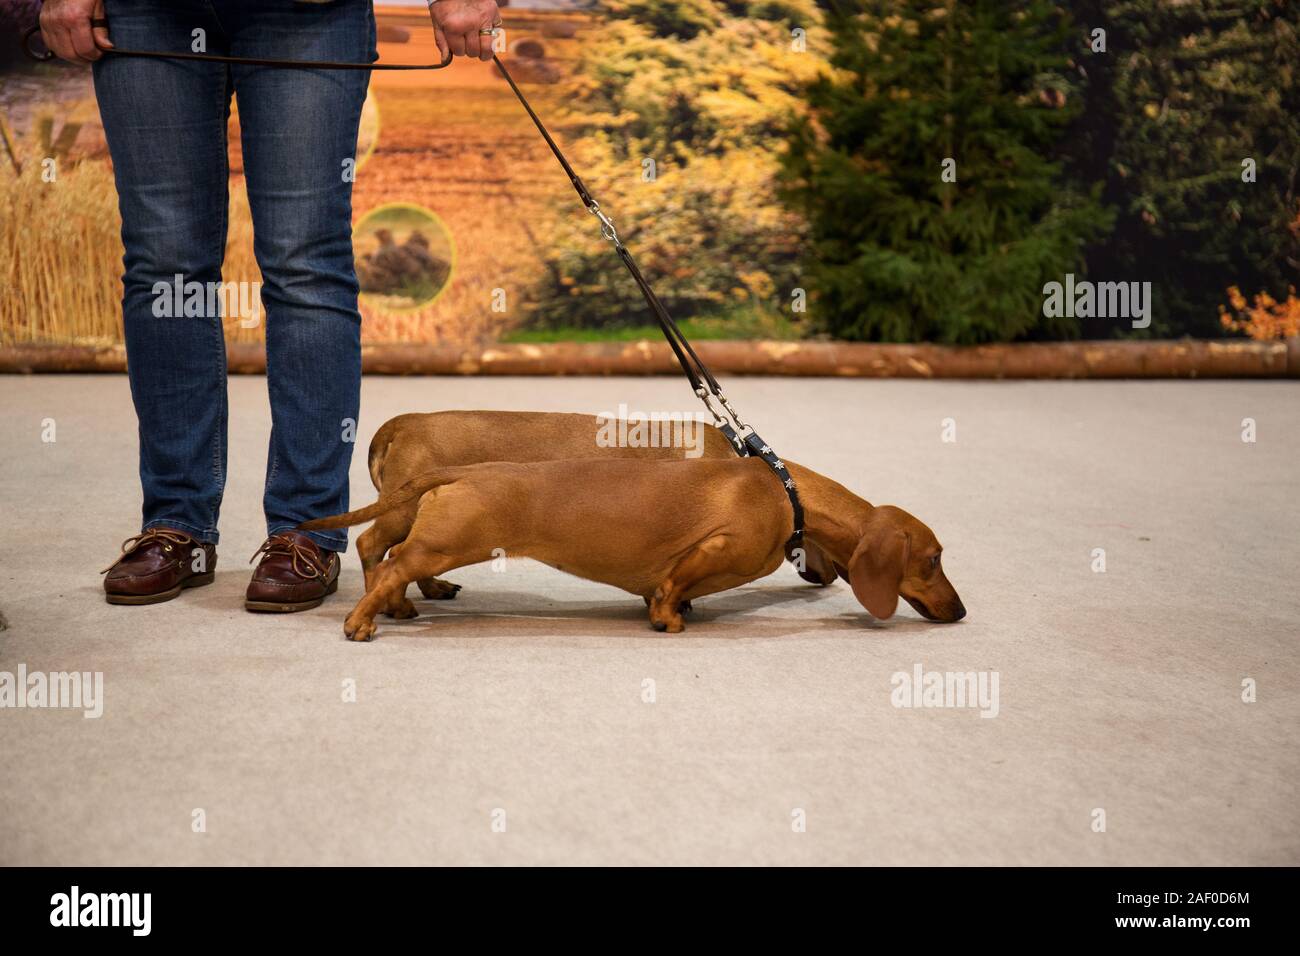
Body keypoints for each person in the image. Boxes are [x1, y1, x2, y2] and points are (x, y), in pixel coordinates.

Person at [36, 0, 501, 611]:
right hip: (146, 10)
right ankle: (177, 525)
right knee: (164, 267)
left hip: (312, 13)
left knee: (306, 261)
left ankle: (306, 530)